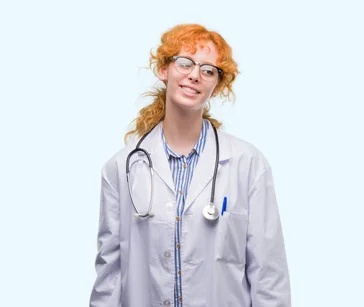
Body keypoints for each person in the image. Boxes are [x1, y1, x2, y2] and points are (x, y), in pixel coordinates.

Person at [89, 23, 291, 307]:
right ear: (163, 70)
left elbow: (269, 274)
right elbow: (109, 277)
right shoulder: (121, 168)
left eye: (208, 70)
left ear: (217, 85)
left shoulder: (248, 165)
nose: (195, 75)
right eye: (185, 63)